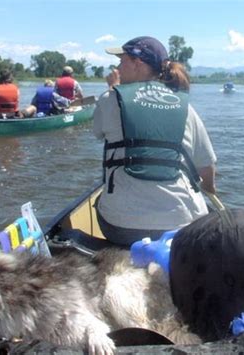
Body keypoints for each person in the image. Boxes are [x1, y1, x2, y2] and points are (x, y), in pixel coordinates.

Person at [92, 36, 217, 246]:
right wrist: (210, 190)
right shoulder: (186, 106)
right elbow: (207, 168)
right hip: (183, 224)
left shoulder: (109, 98)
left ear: (137, 63)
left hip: (122, 227)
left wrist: (112, 89)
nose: (117, 68)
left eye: (122, 61)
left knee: (99, 203)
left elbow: (98, 132)